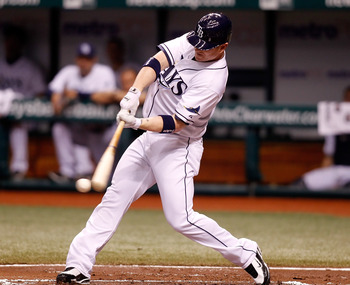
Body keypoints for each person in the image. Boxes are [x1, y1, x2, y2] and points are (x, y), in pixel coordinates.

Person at [56, 13, 270, 285]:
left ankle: (245, 252)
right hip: (148, 141)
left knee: (182, 219)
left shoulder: (213, 81)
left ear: (223, 47)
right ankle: (78, 266)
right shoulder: (193, 41)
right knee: (113, 199)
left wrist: (138, 121)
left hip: (177, 148)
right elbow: (156, 62)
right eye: (197, 42)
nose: (197, 48)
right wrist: (134, 91)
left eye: (205, 46)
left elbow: (177, 123)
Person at [48, 42, 117, 183]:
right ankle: (68, 172)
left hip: (101, 130)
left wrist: (79, 95)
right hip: (79, 130)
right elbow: (53, 91)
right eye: (81, 58)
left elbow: (109, 96)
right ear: (76, 59)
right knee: (59, 127)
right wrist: (59, 98)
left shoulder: (104, 72)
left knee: (107, 178)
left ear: (94, 60)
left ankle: (96, 176)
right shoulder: (68, 71)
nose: (83, 62)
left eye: (87, 59)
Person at [0, 24, 46, 181]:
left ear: (21, 44)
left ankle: (18, 170)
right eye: (9, 41)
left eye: (15, 41)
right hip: (3, 113)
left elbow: (41, 94)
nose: (11, 45)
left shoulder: (30, 67)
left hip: (26, 114)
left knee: (18, 126)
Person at [293, 86, 350, 191]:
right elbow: (328, 158)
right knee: (301, 183)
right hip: (338, 171)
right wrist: (328, 180)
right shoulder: (335, 122)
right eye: (348, 99)